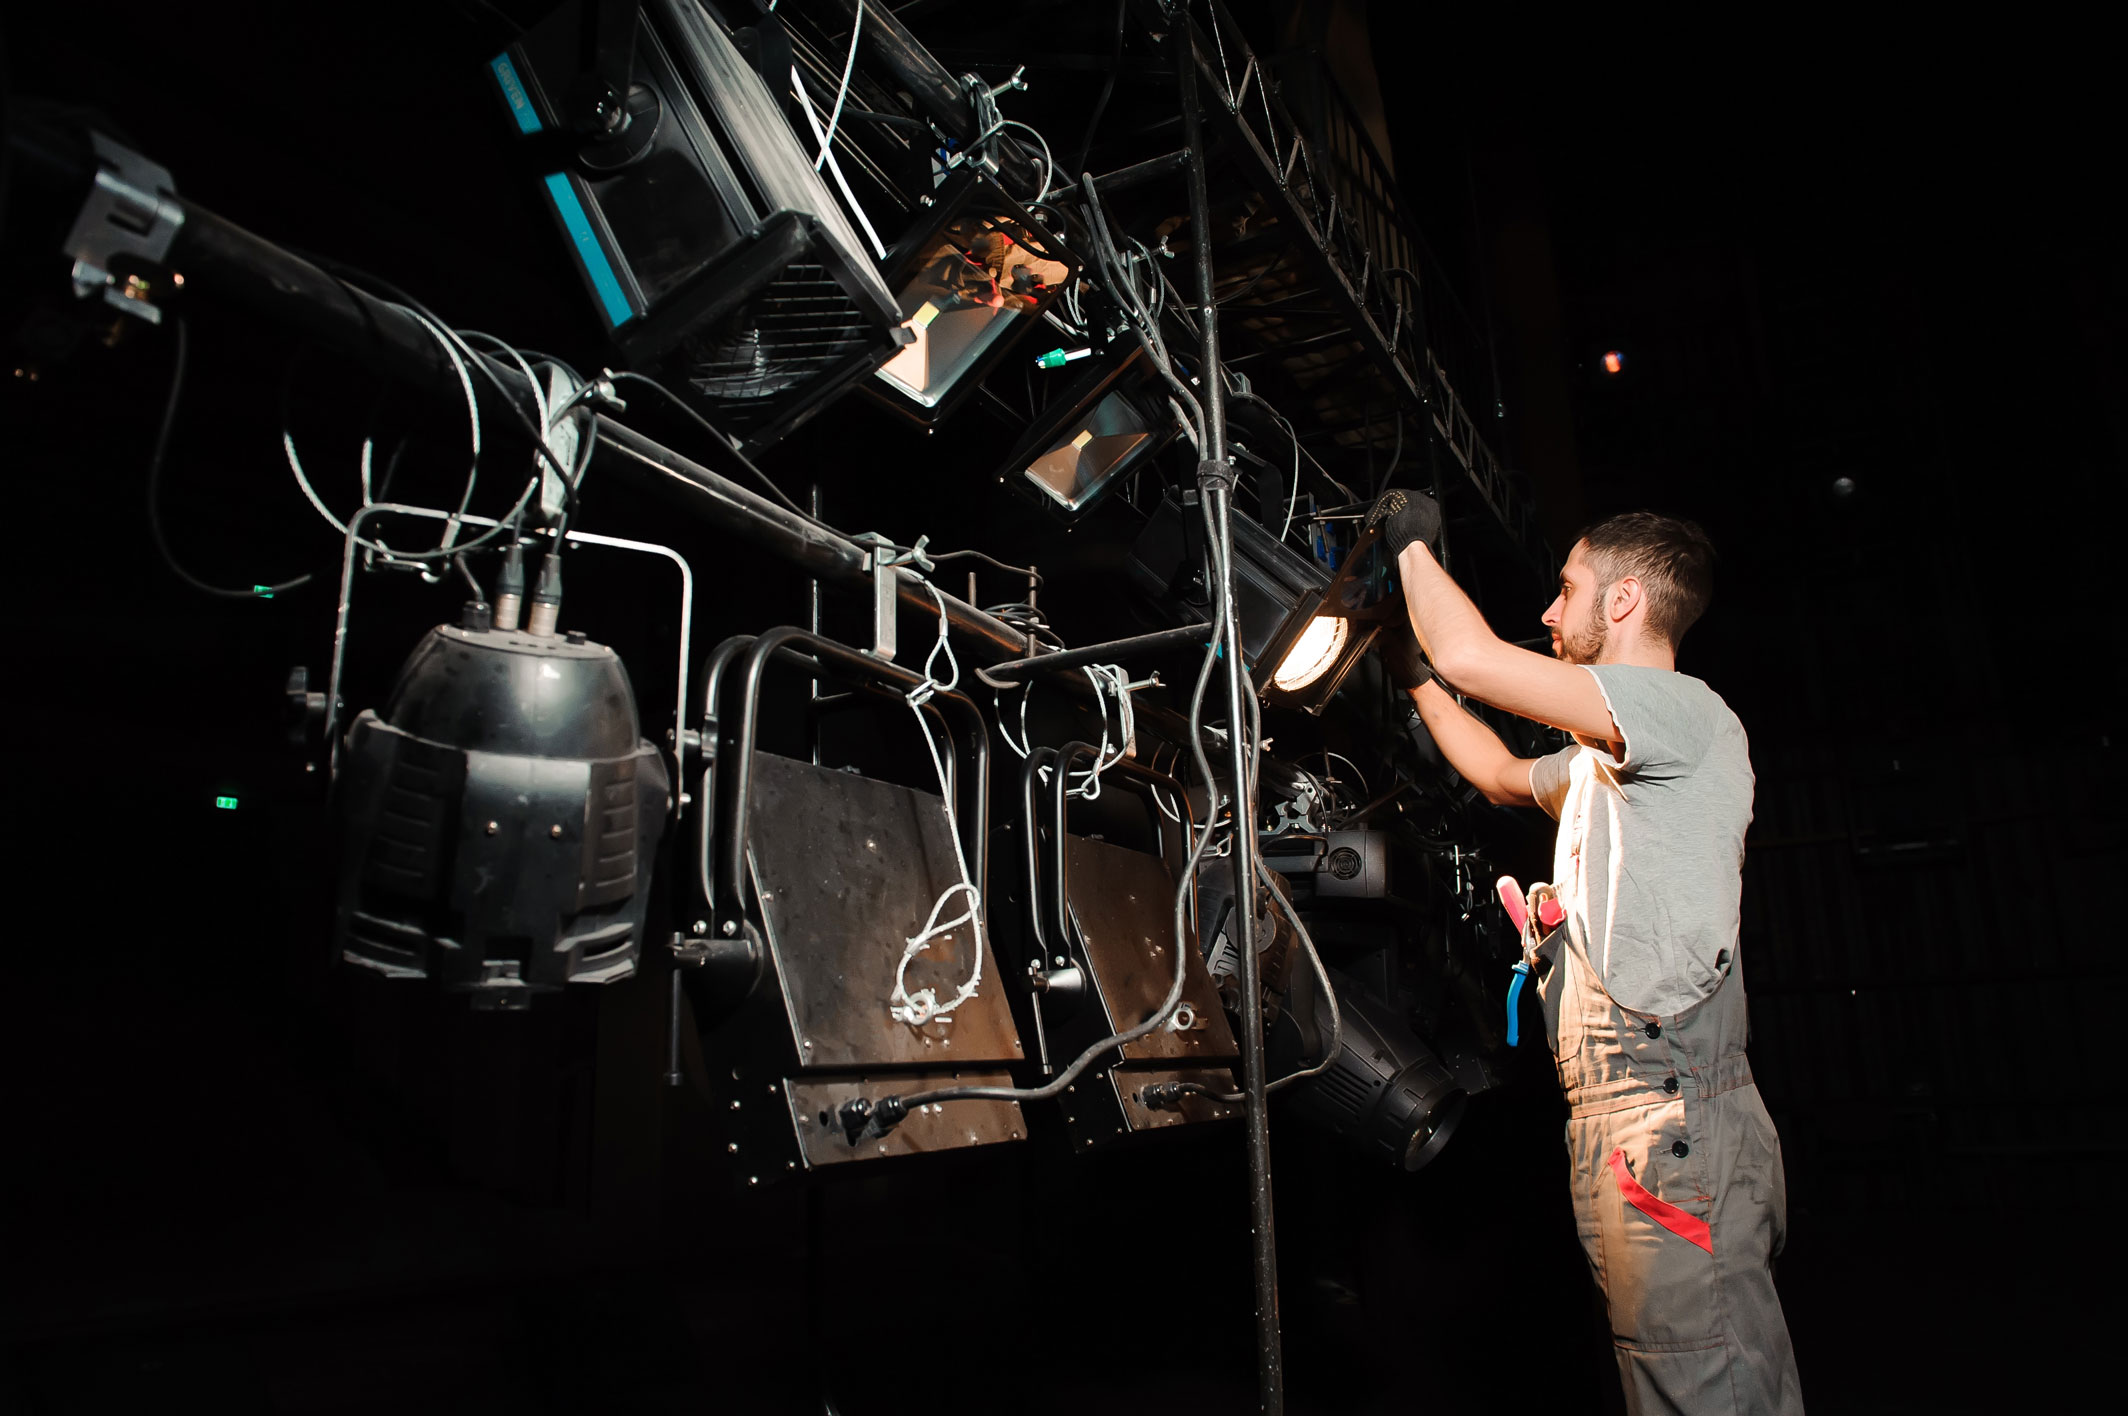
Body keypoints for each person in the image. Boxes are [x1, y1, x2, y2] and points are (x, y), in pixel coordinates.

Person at [1367, 491, 1804, 1416]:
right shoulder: (1608, 766)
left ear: (1624, 601)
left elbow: (1474, 659)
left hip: (1671, 1117)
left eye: (1566, 590)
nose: (1549, 611)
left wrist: (1409, 546)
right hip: (1621, 1128)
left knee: (1709, 1384)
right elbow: (1493, 772)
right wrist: (1409, 669)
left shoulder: (1685, 715)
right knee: (1672, 1378)